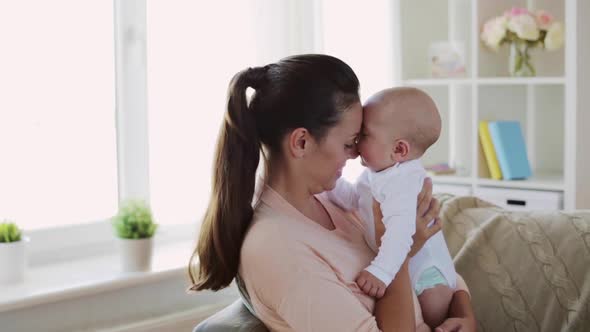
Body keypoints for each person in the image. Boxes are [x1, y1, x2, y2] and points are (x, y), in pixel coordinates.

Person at [188, 54, 476, 331]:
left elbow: (433, 263)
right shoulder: (277, 249)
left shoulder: (335, 199)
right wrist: (400, 256)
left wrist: (463, 311)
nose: (356, 155)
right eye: (350, 142)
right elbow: (402, 257)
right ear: (301, 142)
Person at [327, 87, 458, 329]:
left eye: (364, 135)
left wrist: (381, 271)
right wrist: (328, 183)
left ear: (399, 150)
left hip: (429, 274)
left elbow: (400, 232)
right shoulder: (377, 172)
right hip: (408, 266)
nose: (356, 144)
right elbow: (353, 200)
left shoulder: (402, 182)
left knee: (435, 315)